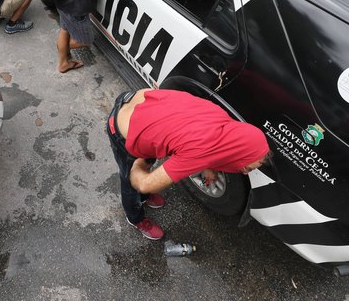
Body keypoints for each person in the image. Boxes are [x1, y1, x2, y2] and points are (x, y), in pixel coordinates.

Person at [106, 88, 271, 240]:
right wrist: (136, 167)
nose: (244, 172)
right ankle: (135, 218)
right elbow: (145, 183)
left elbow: (204, 143)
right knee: (130, 182)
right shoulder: (200, 150)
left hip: (135, 100)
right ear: (238, 156)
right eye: (246, 167)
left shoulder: (223, 120)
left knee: (148, 164)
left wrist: (207, 166)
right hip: (121, 130)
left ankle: (143, 199)